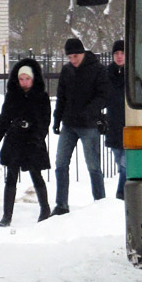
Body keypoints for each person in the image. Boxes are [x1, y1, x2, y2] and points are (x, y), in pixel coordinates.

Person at [0, 60, 52, 226]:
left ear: (33, 79)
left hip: (33, 142)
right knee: (11, 176)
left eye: (27, 79)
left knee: (36, 174)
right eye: (21, 79)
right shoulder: (13, 97)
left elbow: (45, 121)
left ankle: (45, 210)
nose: (24, 82)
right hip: (14, 141)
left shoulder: (41, 97)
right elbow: (3, 120)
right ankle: (7, 215)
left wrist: (36, 136)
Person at [53, 37, 110, 213]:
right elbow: (61, 97)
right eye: (70, 57)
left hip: (89, 125)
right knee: (61, 163)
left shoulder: (98, 69)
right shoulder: (67, 71)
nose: (73, 60)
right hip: (69, 124)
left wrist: (90, 111)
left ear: (82, 53)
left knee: (93, 165)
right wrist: (56, 119)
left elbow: (104, 96)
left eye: (75, 56)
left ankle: (100, 203)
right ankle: (61, 204)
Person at [105, 40, 126, 200]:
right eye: (116, 54)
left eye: (122, 53)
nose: (119, 57)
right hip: (113, 124)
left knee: (126, 163)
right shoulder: (108, 74)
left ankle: (121, 193)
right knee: (119, 162)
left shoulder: (132, 72)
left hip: (129, 122)